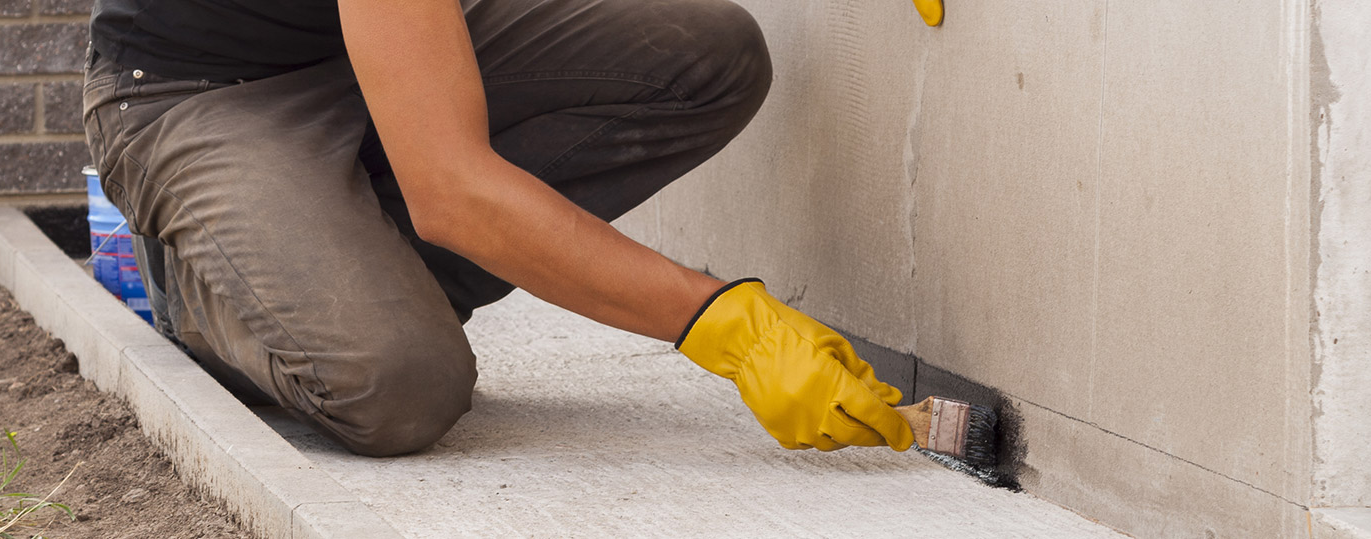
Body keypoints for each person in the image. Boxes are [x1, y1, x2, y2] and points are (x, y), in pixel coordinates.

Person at [83, 0, 931, 457]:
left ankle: (357, 266)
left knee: (705, 55)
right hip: (200, 93)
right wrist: (727, 326)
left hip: (384, 36)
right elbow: (452, 190)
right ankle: (210, 287)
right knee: (397, 384)